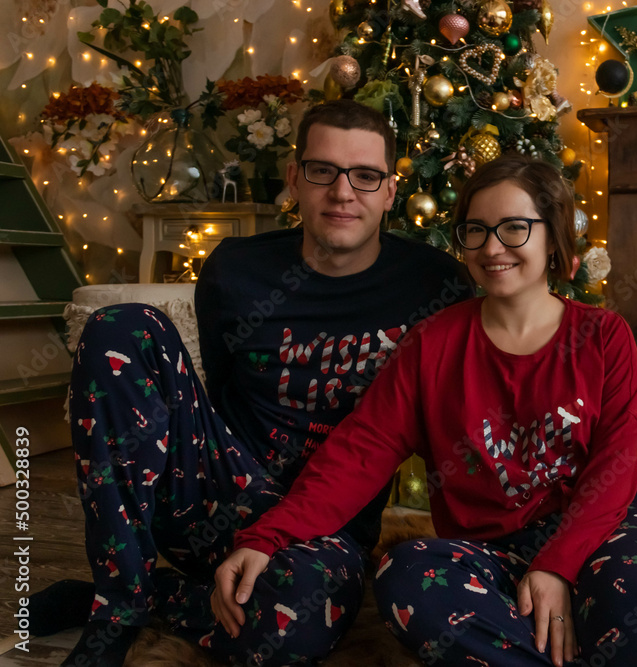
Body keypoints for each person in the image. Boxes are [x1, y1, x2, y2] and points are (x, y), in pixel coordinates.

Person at [213, 155, 637, 667]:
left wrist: (556, 565)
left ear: (553, 238)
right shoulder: (432, 344)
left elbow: (611, 471)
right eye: (475, 231)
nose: (492, 247)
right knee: (405, 580)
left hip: (601, 526)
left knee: (633, 626)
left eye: (514, 227)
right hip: (486, 546)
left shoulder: (601, 337)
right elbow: (358, 455)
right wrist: (266, 535)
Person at [29, 99, 474, 666]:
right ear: (294, 179)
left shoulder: (435, 284)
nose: (343, 192)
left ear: (390, 190)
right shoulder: (237, 269)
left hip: (326, 528)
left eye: (365, 176)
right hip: (217, 493)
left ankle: (153, 598)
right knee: (120, 328)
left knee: (294, 625)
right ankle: (116, 607)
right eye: (323, 171)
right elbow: (215, 391)